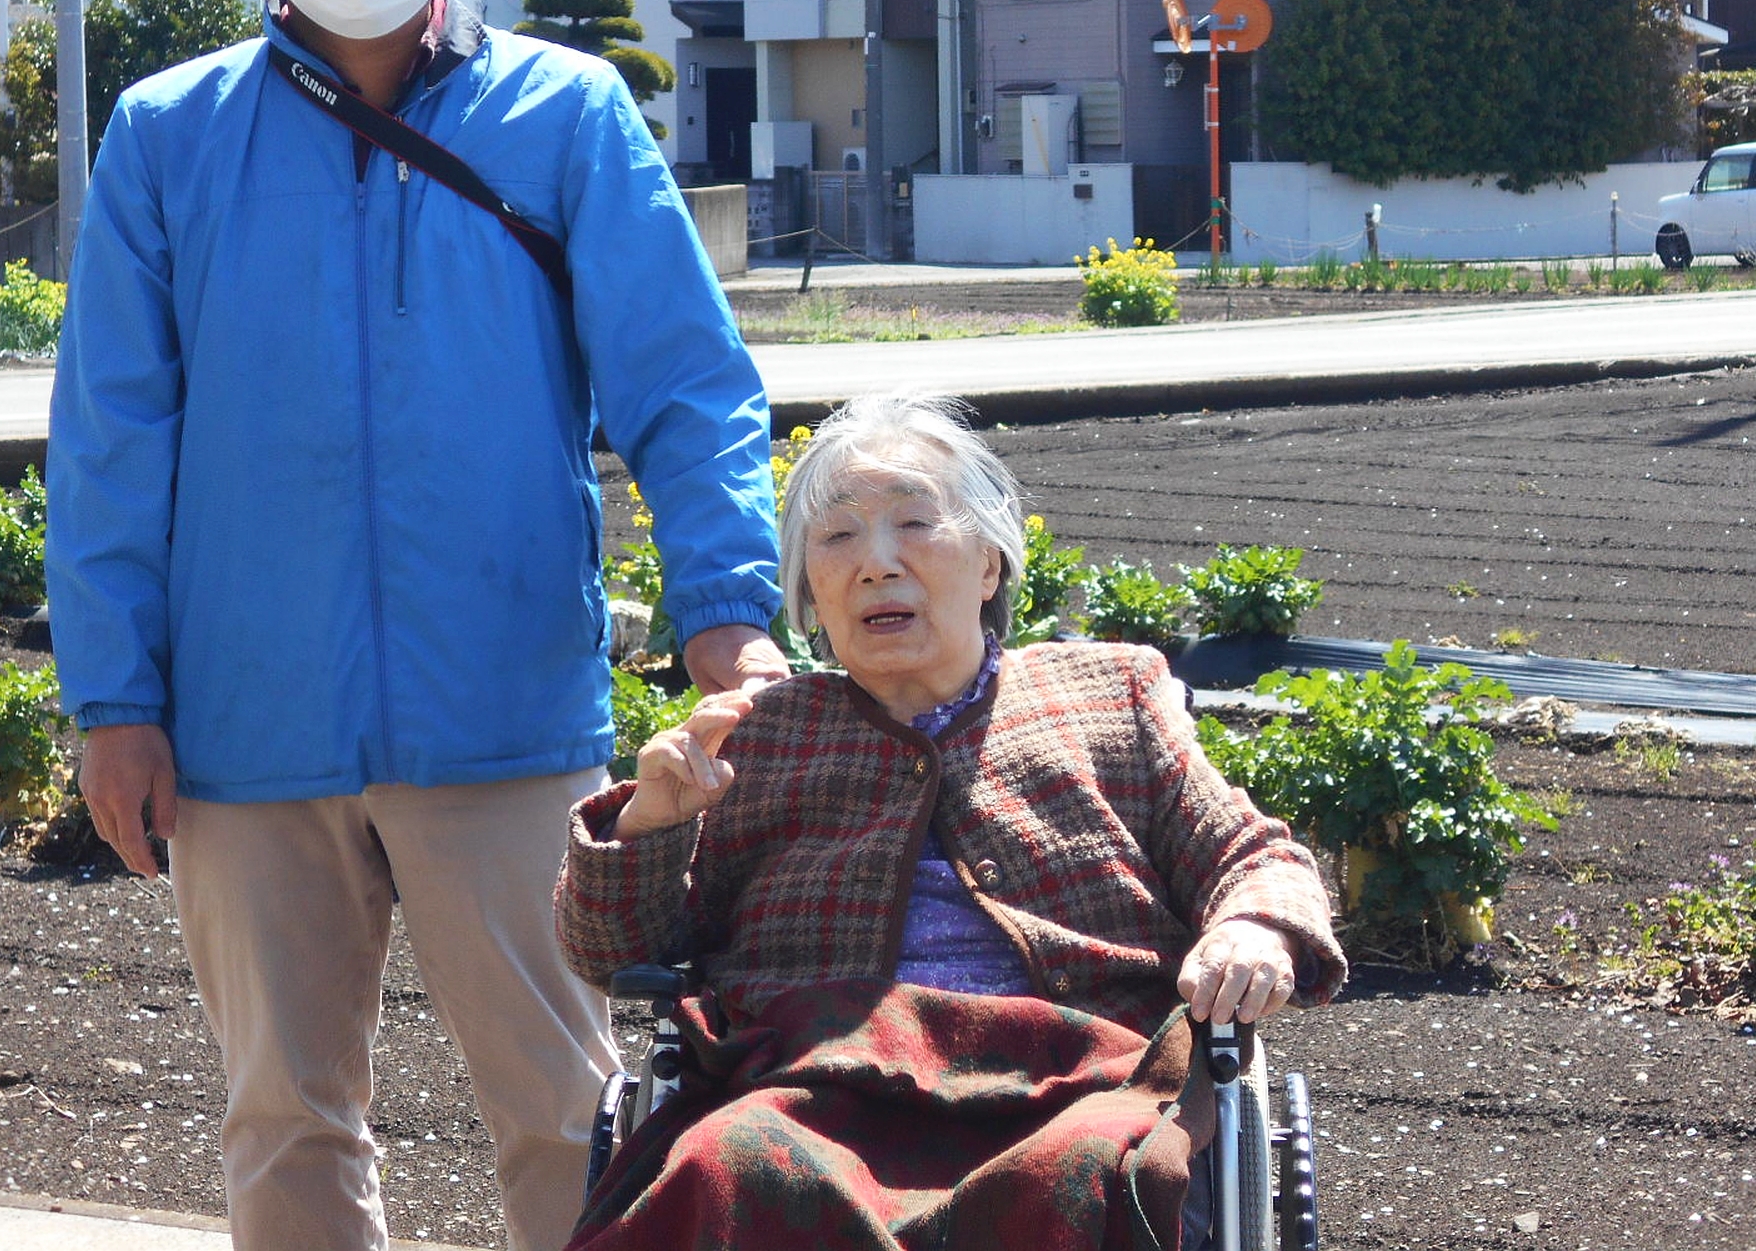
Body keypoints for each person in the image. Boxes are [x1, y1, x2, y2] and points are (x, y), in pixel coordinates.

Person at [45, 0, 787, 1249]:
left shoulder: (567, 112)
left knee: (570, 1112)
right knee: (284, 1119)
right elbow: (111, 436)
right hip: (249, 723)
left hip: (505, 710)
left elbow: (684, 383)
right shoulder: (168, 132)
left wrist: (727, 613)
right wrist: (114, 699)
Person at [555, 394, 1347, 1251]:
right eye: (838, 535)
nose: (875, 563)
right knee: (728, 1163)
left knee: (1085, 1174)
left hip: (1079, 1079)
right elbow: (610, 951)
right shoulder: (758, 736)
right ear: (811, 593)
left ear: (990, 564)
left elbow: (1251, 853)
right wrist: (648, 825)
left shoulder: (1109, 697)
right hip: (810, 1085)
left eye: (914, 522)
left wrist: (1255, 926)